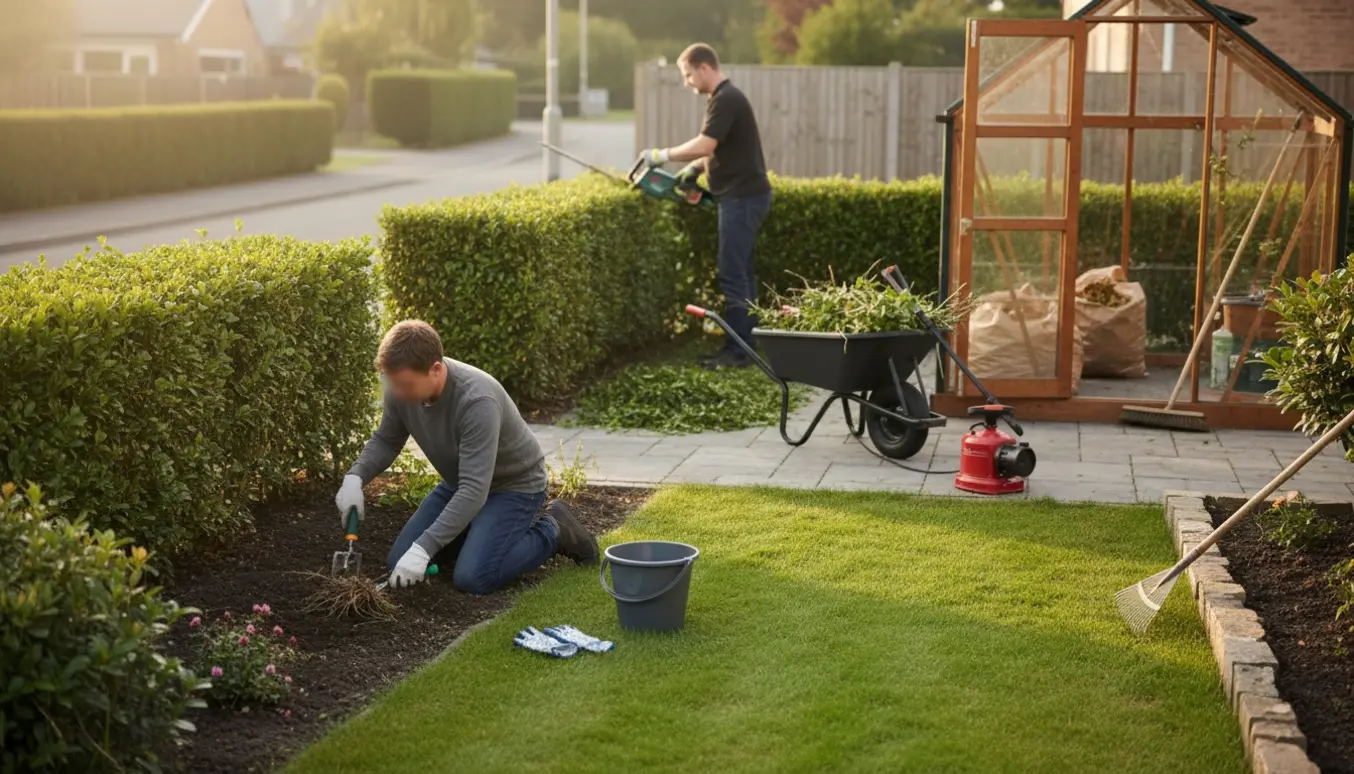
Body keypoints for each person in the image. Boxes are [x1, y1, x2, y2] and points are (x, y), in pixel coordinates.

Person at [334, 320, 598, 593]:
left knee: (473, 577)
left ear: (436, 369)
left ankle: (555, 530)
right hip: (461, 483)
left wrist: (425, 548)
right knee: (399, 561)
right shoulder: (401, 384)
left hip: (514, 488)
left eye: (405, 385)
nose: (398, 393)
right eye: (393, 384)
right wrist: (355, 477)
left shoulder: (477, 401)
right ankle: (479, 537)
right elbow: (387, 440)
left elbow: (474, 490)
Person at [639, 42, 772, 369]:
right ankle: (747, 346)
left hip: (741, 199)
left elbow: (706, 143)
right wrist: (694, 170)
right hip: (743, 196)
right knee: (741, 275)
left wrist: (662, 156)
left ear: (704, 67)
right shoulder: (724, 98)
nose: (687, 82)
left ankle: (738, 353)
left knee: (732, 276)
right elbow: (717, 150)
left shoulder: (726, 99)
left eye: (687, 75)